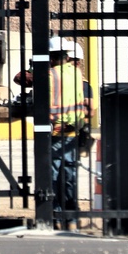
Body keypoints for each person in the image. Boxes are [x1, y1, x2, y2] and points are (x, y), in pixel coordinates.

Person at [48, 36, 88, 232]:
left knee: (54, 177)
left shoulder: (51, 75)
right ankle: (71, 220)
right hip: (73, 131)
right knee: (70, 176)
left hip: (56, 131)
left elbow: (44, 105)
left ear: (52, 56)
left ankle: (55, 217)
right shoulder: (77, 74)